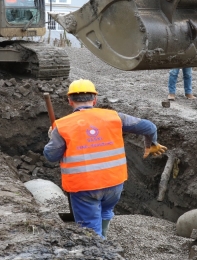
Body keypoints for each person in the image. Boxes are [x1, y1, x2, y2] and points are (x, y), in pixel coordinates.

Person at [43, 79, 167, 239]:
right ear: (94, 100)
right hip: (114, 184)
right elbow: (149, 127)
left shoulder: (62, 126)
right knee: (106, 210)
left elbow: (51, 156)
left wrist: (52, 137)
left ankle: (99, 248)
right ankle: (104, 240)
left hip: (84, 188)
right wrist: (152, 143)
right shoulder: (114, 117)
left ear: (70, 101)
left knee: (91, 233)